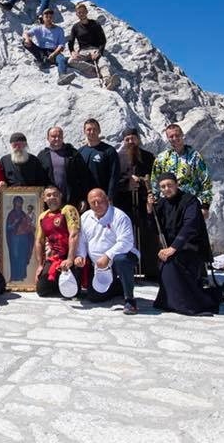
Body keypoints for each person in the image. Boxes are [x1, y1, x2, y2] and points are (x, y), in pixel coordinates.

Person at [148, 172, 219, 316]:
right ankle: (169, 302)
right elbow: (155, 228)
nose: (166, 189)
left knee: (170, 262)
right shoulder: (161, 203)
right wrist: (150, 209)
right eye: (163, 187)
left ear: (177, 185)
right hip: (172, 248)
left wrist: (173, 248)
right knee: (165, 263)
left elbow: (190, 227)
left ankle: (190, 305)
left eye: (169, 185)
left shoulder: (190, 201)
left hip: (190, 248)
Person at [75, 188, 139, 314]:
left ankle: (130, 300)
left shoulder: (120, 216)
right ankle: (118, 287)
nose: (97, 205)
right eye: (93, 203)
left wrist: (108, 256)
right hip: (99, 266)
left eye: (100, 201)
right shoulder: (85, 217)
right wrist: (81, 255)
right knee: (94, 297)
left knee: (121, 259)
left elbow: (126, 242)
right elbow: (82, 240)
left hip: (122, 258)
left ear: (107, 200)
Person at [113, 128, 157, 277]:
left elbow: (155, 179)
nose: (131, 142)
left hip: (144, 203)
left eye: (133, 138)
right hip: (124, 203)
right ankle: (128, 269)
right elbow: (113, 181)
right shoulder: (117, 158)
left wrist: (145, 183)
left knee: (147, 234)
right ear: (123, 141)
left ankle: (149, 269)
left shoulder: (148, 157)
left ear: (138, 139)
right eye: (127, 139)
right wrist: (127, 183)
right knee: (126, 234)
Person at [150, 124, 213, 218]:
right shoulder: (161, 158)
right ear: (168, 138)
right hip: (169, 205)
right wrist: (155, 202)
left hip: (190, 204)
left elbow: (205, 180)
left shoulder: (195, 156)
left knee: (190, 231)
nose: (175, 138)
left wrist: (205, 206)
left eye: (177, 135)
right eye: (171, 136)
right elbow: (155, 181)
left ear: (182, 135)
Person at [34, 186, 82, 298]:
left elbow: (74, 234)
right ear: (44, 199)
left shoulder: (68, 209)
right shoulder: (43, 216)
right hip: (53, 258)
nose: (52, 197)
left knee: (72, 292)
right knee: (42, 290)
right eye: (49, 195)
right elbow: (39, 241)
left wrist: (70, 259)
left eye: (55, 194)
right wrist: (40, 265)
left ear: (60, 196)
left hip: (70, 256)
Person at [67, 3, 119, 90]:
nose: (81, 14)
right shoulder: (75, 27)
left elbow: (103, 40)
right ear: (77, 14)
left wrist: (99, 52)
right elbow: (71, 42)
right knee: (71, 61)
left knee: (103, 62)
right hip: (83, 51)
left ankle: (107, 81)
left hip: (95, 50)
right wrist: (72, 52)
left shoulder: (95, 24)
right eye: (79, 12)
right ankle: (95, 69)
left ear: (86, 12)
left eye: (83, 12)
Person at [37, 126, 89, 209]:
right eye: (53, 136)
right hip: (51, 202)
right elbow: (40, 180)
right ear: (48, 138)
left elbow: (83, 176)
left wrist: (83, 198)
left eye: (59, 136)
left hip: (72, 199)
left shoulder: (73, 153)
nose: (57, 139)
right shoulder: (42, 156)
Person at [23, 9, 75, 86]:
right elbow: (26, 33)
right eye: (46, 16)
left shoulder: (59, 30)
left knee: (62, 59)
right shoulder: (39, 28)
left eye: (50, 17)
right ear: (43, 18)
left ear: (52, 18)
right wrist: (27, 39)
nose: (48, 18)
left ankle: (62, 76)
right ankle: (43, 61)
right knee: (25, 42)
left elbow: (61, 45)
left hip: (54, 51)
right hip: (41, 50)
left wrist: (53, 54)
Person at [77, 118, 120, 203]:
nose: (92, 132)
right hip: (86, 198)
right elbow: (78, 176)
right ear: (84, 131)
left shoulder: (109, 151)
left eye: (94, 129)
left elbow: (114, 175)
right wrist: (80, 198)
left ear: (99, 131)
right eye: (89, 129)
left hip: (103, 198)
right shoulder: (80, 152)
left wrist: (110, 197)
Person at [4, 195, 35, 280]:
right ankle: (15, 276)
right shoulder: (11, 214)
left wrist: (31, 228)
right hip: (15, 239)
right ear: (14, 203)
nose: (19, 204)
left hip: (24, 238)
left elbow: (28, 225)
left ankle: (21, 276)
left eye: (21, 202)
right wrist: (15, 223)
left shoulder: (23, 214)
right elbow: (8, 228)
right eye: (18, 202)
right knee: (15, 256)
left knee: (23, 257)